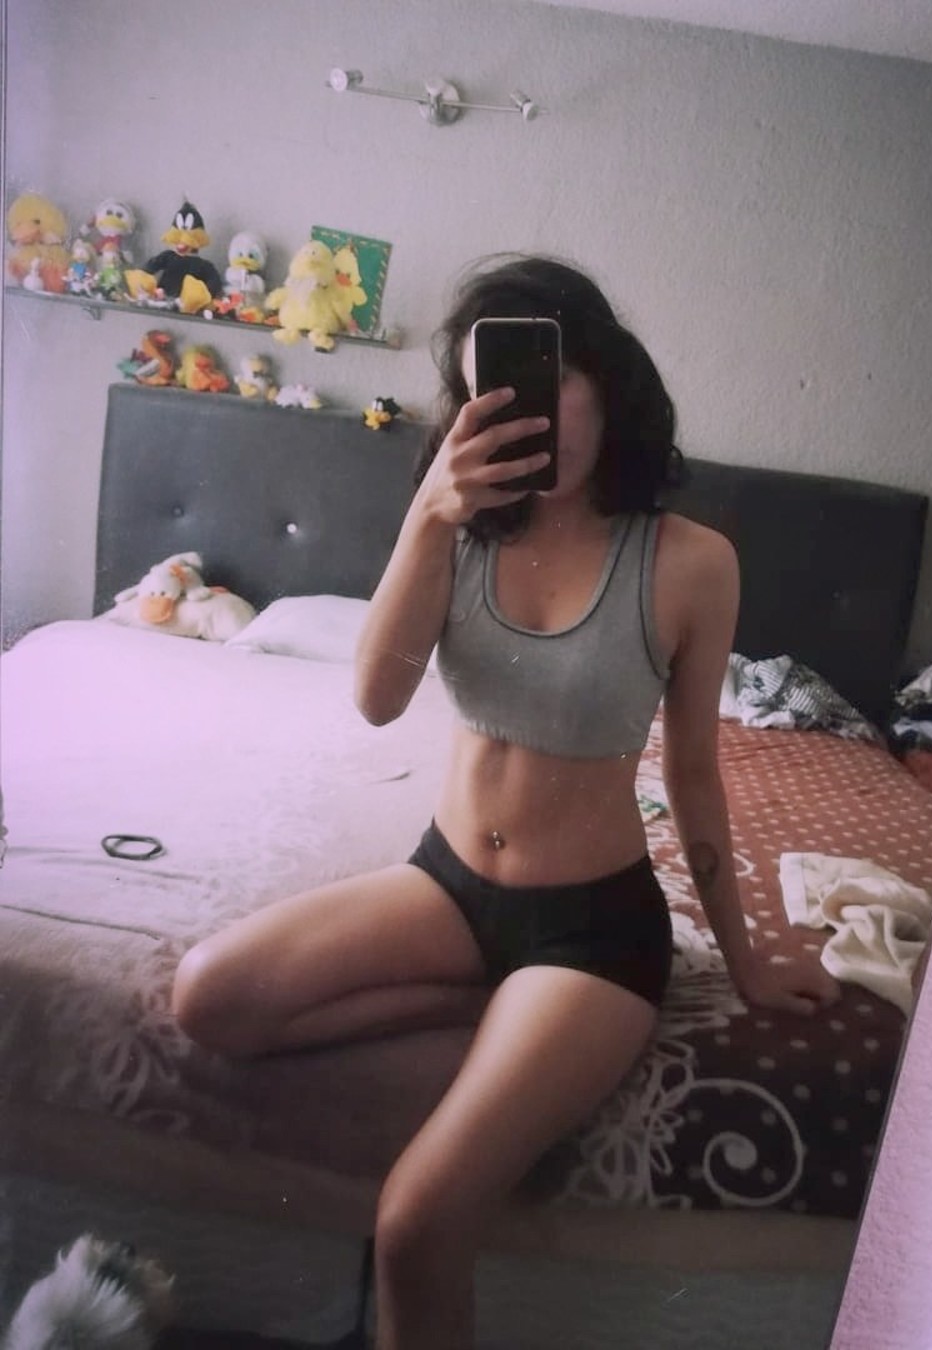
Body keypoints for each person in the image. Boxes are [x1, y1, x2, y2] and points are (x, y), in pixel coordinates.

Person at [171, 255, 840, 1350]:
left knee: (416, 1223)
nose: (532, 409)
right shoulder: (459, 527)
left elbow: (694, 775)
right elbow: (377, 699)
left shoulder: (690, 563)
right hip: (446, 885)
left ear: (608, 384)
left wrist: (746, 958)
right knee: (210, 998)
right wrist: (430, 518)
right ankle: (488, 1003)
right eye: (499, 385)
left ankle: (531, 1011)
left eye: (555, 377)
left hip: (593, 934)